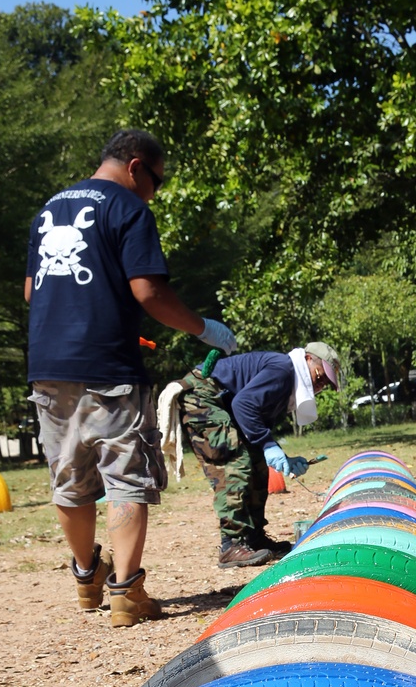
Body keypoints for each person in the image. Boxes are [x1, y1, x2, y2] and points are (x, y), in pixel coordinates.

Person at [25, 128, 237, 627]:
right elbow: (149, 293)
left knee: (70, 477)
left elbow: (34, 293)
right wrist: (203, 327)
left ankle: (86, 578)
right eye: (156, 181)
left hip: (48, 367)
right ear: (137, 166)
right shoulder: (127, 208)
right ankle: (126, 592)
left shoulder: (47, 210)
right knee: (125, 476)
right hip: (107, 365)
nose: (153, 192)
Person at [177, 342, 341, 567]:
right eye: (320, 376)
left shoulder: (289, 382)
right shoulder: (284, 370)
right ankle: (230, 544)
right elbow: (243, 404)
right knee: (236, 460)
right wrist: (268, 445)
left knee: (257, 462)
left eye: (326, 384)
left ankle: (254, 538)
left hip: (222, 403)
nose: (320, 386)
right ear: (308, 360)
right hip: (202, 394)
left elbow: (257, 422)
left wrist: (281, 455)